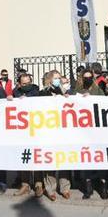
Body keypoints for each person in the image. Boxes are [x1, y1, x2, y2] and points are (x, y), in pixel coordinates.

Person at [38, 70, 71, 200]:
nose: (58, 80)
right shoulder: (42, 94)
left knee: (63, 159)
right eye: (56, 78)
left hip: (62, 131)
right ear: (50, 80)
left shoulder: (64, 92)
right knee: (50, 160)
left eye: (59, 78)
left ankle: (65, 188)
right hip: (48, 131)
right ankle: (50, 189)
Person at [75, 69, 108, 200]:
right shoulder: (76, 89)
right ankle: (88, 188)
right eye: (85, 77)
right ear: (82, 78)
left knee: (100, 158)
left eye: (90, 77)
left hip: (96, 129)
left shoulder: (97, 89)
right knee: (86, 159)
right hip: (83, 130)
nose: (88, 79)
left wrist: (92, 98)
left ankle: (103, 186)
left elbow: (104, 101)